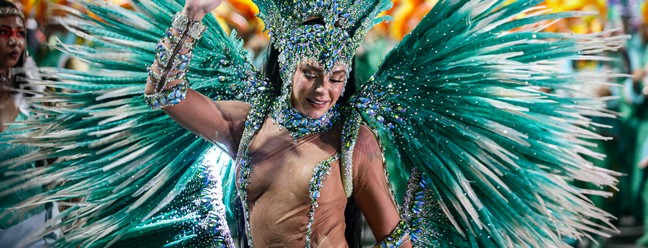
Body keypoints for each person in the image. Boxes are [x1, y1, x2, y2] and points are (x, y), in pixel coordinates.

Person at [0, 0, 624, 247]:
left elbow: (389, 235)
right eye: (310, 73)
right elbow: (162, 93)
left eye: (336, 76)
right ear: (286, 69)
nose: (325, 88)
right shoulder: (245, 125)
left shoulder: (356, 138)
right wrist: (191, 17)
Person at [0, 1, 58, 247]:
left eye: (20, 33)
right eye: (4, 32)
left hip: (43, 231)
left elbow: (58, 168)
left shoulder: (34, 97)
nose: (15, 41)